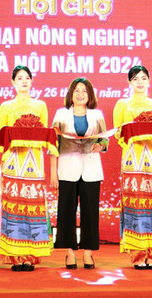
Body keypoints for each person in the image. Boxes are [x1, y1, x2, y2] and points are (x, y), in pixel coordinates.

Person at [113, 66, 152, 269]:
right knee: (136, 203)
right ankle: (138, 254)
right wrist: (136, 133)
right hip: (132, 159)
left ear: (149, 81)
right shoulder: (122, 104)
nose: (140, 82)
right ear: (129, 82)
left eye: (143, 78)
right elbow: (118, 132)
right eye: (135, 79)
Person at [0, 65, 50, 271]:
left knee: (32, 207)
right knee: (13, 207)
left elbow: (44, 135)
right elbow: (0, 137)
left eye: (27, 78)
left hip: (34, 163)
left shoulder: (40, 106)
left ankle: (30, 256)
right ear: (13, 82)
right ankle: (15, 256)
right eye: (20, 78)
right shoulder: (6, 106)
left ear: (32, 81)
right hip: (12, 162)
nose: (24, 81)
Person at [50, 77, 108, 269]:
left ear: (90, 95)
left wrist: (100, 146)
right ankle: (69, 253)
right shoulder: (61, 114)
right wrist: (53, 173)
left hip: (91, 168)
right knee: (66, 211)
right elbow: (53, 144)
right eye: (77, 91)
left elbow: (104, 139)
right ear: (71, 94)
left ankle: (88, 253)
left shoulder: (97, 115)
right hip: (67, 167)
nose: (81, 94)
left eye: (84, 91)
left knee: (90, 212)